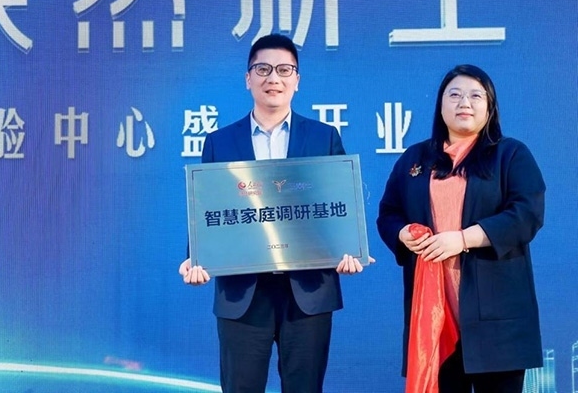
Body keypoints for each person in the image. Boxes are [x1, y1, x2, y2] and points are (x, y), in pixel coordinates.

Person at [179, 33, 372, 393]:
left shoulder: (324, 137)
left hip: (308, 291)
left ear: (297, 80)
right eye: (263, 69)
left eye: (284, 70)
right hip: (242, 292)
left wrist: (350, 248)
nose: (274, 78)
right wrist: (196, 256)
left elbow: (338, 204)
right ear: (248, 78)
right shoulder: (220, 141)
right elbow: (209, 206)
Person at [377, 64, 545, 393]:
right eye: (454, 95)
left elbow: (526, 214)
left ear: (489, 107)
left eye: (475, 96)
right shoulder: (415, 158)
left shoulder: (510, 154)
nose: (464, 103)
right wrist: (402, 233)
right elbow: (388, 213)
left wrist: (463, 239)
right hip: (434, 320)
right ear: (440, 106)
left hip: (497, 321)